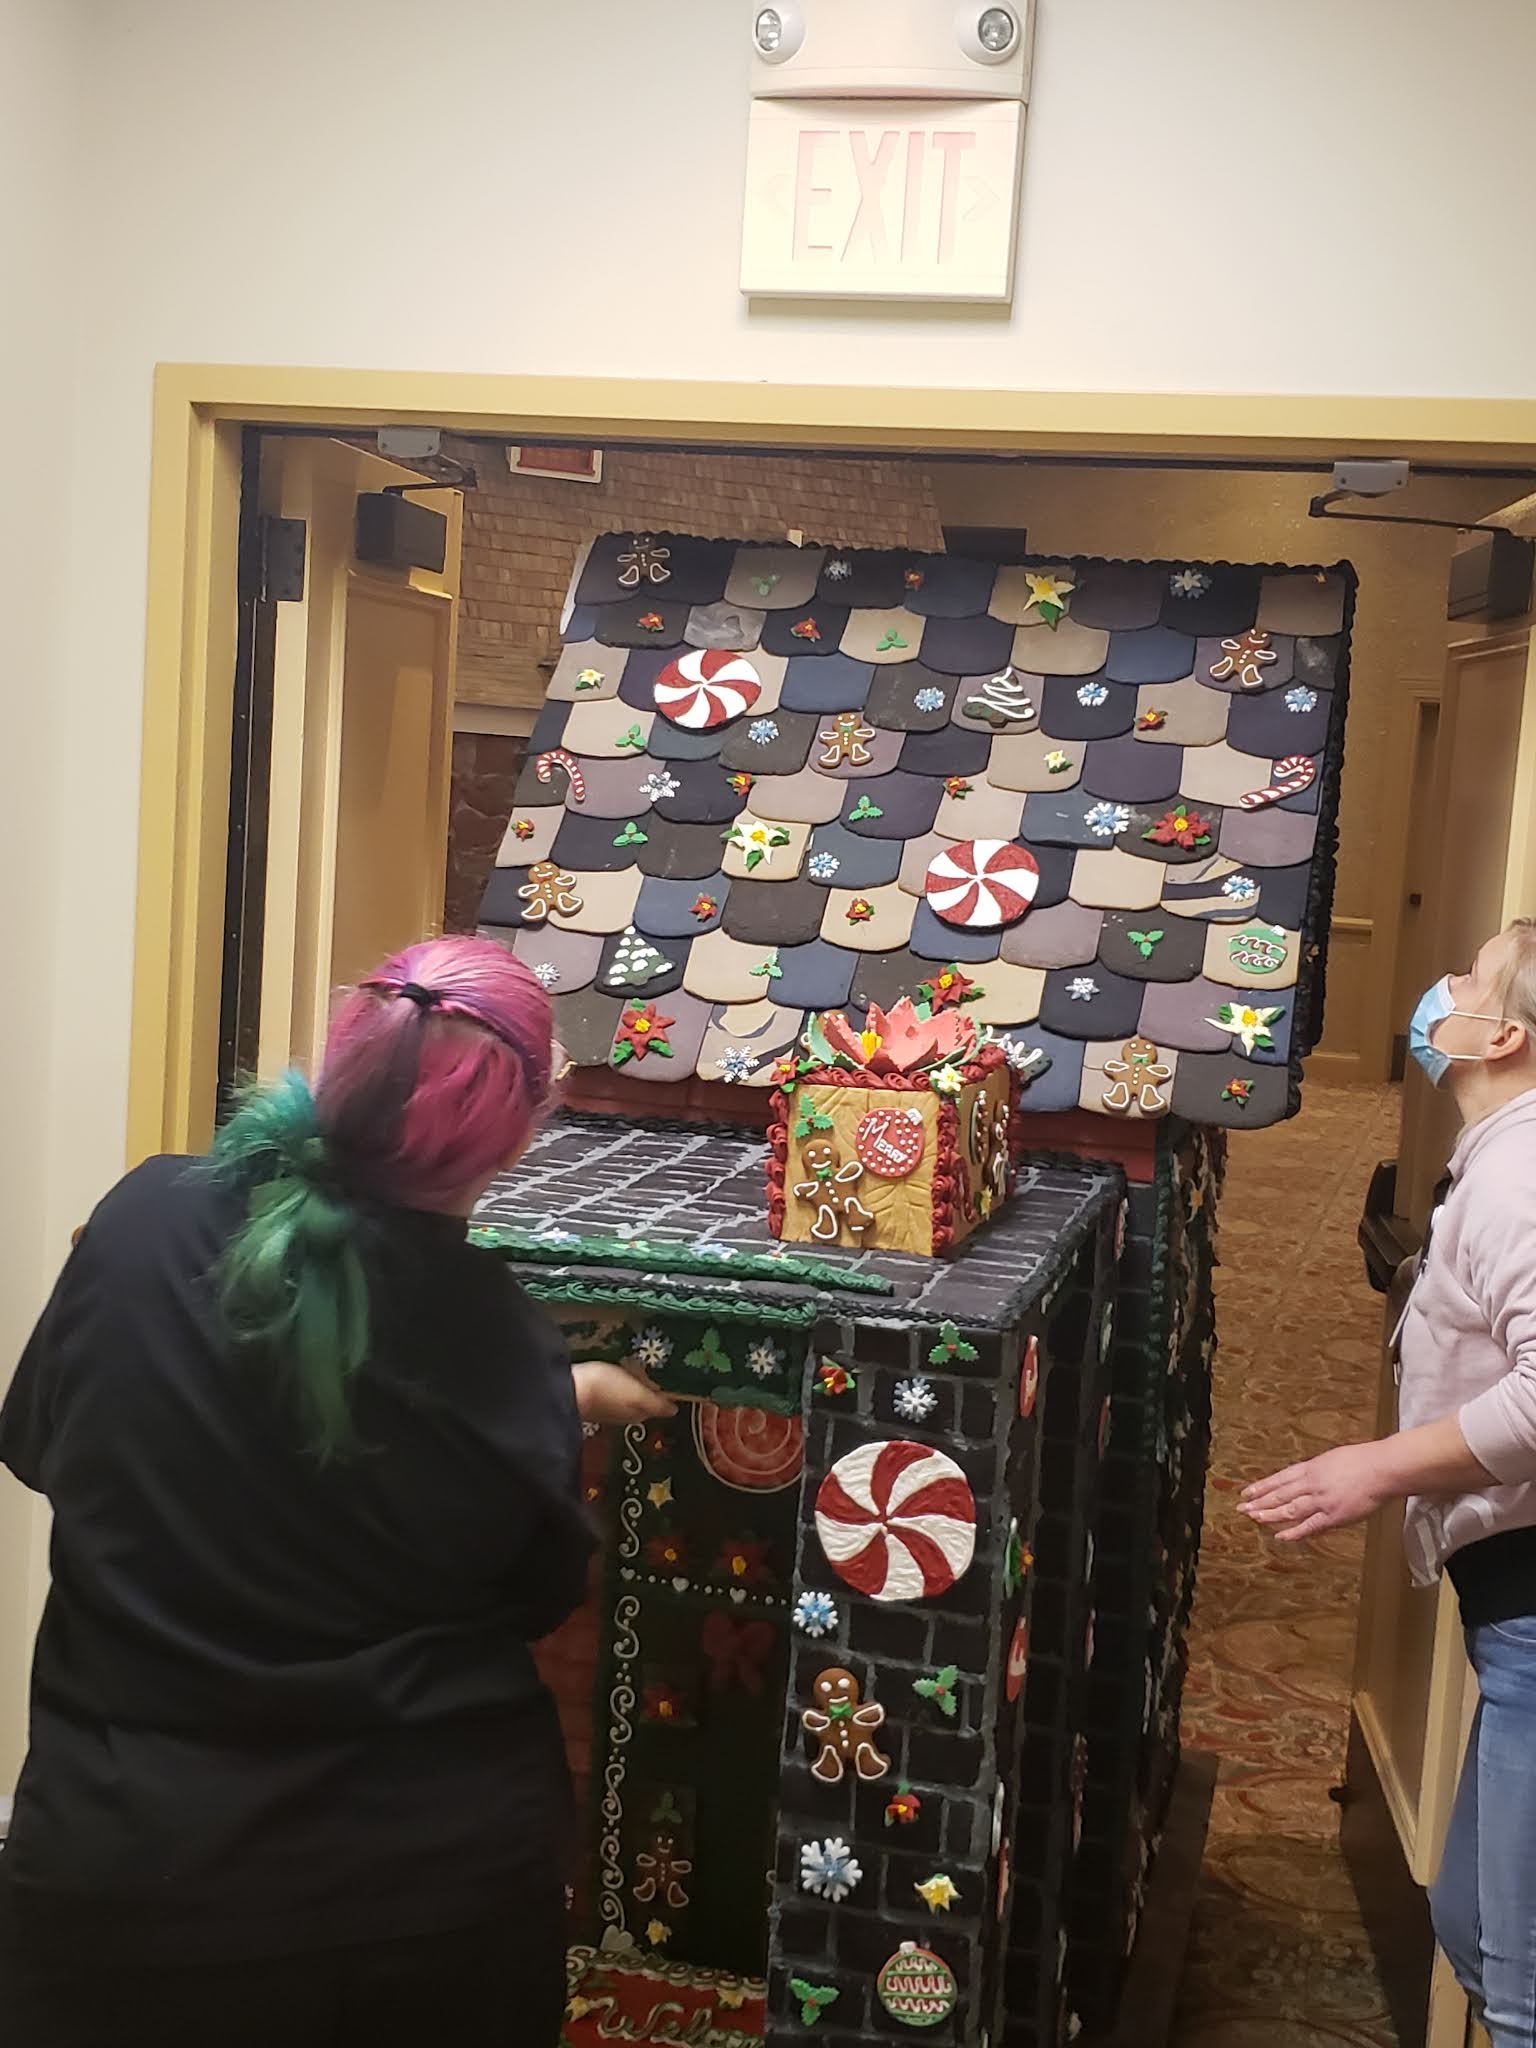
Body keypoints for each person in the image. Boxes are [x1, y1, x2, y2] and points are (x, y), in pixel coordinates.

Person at [0, 936, 673, 2048]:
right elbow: (533, 1594)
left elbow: (50, 1444)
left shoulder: (141, 1220)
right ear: (526, 1125)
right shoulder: (496, 1343)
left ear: (339, 1057)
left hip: (119, 1886)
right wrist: (554, 1399)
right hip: (416, 1916)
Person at [1241, 920, 1536, 2047]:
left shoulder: (1522, 1177)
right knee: (1472, 1922)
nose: (1441, 986)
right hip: (1508, 1601)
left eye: (1466, 974)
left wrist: (1372, 1465)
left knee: (1515, 1984)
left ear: (1500, 1030)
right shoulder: (1503, 1151)